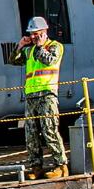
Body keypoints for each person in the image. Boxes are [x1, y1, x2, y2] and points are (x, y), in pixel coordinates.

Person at [8, 16, 67, 179]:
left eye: (36, 33)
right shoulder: (29, 50)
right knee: (31, 134)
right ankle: (36, 167)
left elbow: (49, 61)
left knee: (49, 129)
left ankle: (61, 165)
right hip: (31, 96)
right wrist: (20, 46)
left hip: (47, 94)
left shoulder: (55, 46)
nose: (33, 37)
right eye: (31, 34)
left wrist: (40, 46)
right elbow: (13, 60)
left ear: (44, 32)